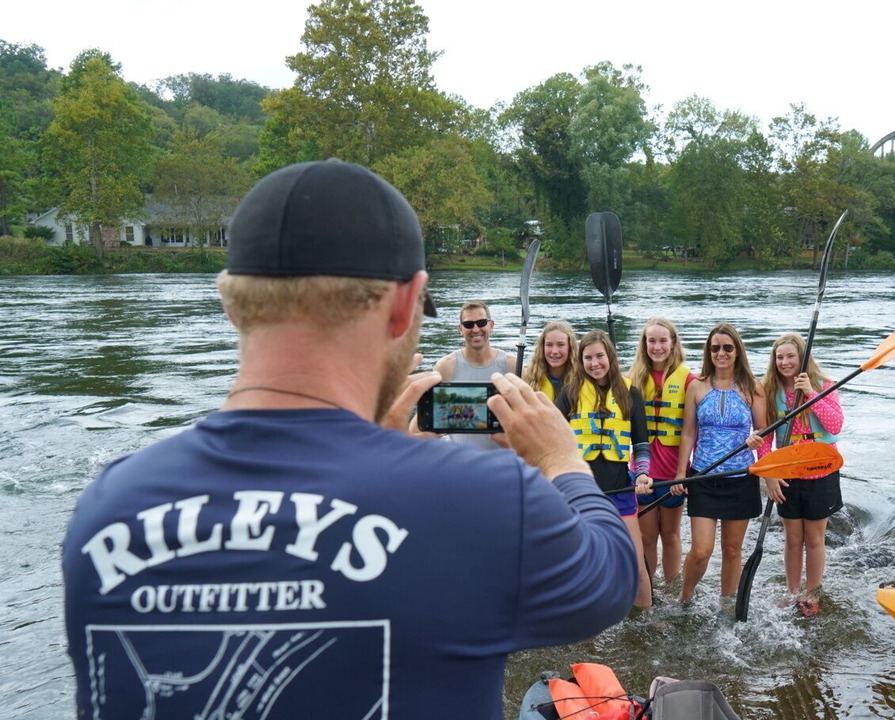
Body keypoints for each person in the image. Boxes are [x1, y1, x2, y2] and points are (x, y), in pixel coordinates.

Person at [60, 159, 637, 720]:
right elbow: (610, 581)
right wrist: (560, 456)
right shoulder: (481, 498)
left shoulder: (105, 507)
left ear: (232, 304)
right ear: (406, 304)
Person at [556, 329, 655, 609]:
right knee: (582, 566)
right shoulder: (570, 394)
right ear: (580, 360)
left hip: (620, 489)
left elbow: (641, 443)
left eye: (600, 356)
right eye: (588, 358)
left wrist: (644, 473)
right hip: (580, 492)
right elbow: (553, 441)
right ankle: (583, 626)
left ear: (610, 356)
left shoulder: (629, 393)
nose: (594, 363)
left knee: (635, 566)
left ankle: (644, 621)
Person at [671, 322, 767, 607]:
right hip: (703, 477)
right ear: (708, 352)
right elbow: (688, 433)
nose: (721, 353)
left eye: (727, 347)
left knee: (732, 549)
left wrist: (755, 439)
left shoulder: (753, 388)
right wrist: (680, 474)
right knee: (701, 550)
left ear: (737, 351)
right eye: (715, 348)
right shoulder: (697, 387)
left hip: (740, 478)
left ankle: (727, 605)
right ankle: (684, 599)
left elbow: (762, 430)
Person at [760, 332, 845, 617]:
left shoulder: (824, 386)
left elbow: (835, 425)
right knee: (792, 538)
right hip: (788, 474)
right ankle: (792, 590)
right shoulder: (768, 390)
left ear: (803, 358)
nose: (785, 362)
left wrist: (811, 393)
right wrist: (769, 475)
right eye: (780, 357)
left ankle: (813, 592)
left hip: (821, 471)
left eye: (791, 356)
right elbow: (765, 438)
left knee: (815, 538)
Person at [627, 317, 693, 586]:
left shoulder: (689, 379)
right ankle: (649, 587)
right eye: (651, 341)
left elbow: (694, 429)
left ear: (673, 343)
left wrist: (683, 474)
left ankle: (671, 587)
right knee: (646, 536)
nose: (657, 346)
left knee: (671, 534)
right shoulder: (631, 380)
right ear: (644, 344)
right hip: (641, 472)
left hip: (672, 473)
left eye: (662, 340)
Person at [432, 299, 516, 449]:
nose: (476, 329)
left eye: (482, 322)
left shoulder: (511, 365)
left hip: (504, 463)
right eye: (469, 325)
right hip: (462, 464)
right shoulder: (445, 367)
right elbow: (425, 421)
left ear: (491, 325)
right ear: (460, 329)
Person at [523, 319, 578, 401]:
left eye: (561, 345)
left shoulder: (581, 378)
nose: (554, 351)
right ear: (542, 347)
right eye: (549, 345)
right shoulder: (528, 377)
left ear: (570, 347)